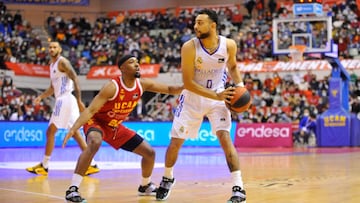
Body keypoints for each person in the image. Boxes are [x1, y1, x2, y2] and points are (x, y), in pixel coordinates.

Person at [61, 55, 183, 202]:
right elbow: (91, 110)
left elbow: (170, 89)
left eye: (137, 62)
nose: (137, 65)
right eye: (132, 62)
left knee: (149, 153)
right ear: (122, 68)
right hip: (97, 122)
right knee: (95, 142)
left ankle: (145, 186)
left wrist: (189, 85)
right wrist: (74, 129)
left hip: (114, 127)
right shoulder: (112, 86)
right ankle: (72, 190)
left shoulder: (142, 84)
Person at [156, 9, 247, 203]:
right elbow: (188, 83)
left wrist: (241, 88)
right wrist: (217, 94)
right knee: (175, 143)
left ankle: (238, 188)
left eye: (200, 23)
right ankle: (167, 177)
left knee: (225, 139)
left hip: (218, 100)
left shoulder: (229, 44)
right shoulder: (189, 47)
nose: (195, 26)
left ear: (213, 25)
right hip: (192, 99)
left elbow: (232, 67)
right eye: (195, 23)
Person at [26, 41, 100, 176]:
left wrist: (79, 100)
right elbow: (51, 88)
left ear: (59, 49)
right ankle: (92, 164)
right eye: (50, 47)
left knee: (50, 132)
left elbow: (75, 78)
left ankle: (45, 165)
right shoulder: (52, 66)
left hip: (65, 98)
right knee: (76, 133)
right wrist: (41, 97)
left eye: (55, 47)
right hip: (65, 100)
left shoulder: (62, 62)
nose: (52, 49)